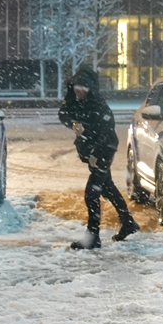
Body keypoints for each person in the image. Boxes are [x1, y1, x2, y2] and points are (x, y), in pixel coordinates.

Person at [58, 66, 139, 249]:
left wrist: (96, 154)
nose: (78, 93)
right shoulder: (78, 101)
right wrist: (73, 121)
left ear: (89, 90)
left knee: (91, 193)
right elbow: (63, 114)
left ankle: (93, 236)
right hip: (94, 152)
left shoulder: (98, 105)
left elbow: (106, 134)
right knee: (108, 188)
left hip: (104, 150)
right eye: (76, 89)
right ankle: (128, 223)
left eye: (81, 90)